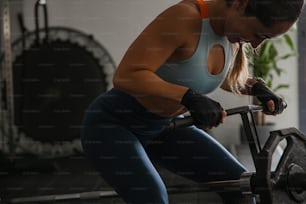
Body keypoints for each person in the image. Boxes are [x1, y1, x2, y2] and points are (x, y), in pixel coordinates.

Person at [81, 0, 304, 203]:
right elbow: (126, 75)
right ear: (241, 4)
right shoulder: (184, 18)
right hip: (113, 123)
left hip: (165, 127)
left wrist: (256, 88)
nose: (255, 45)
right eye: (259, 34)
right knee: (152, 196)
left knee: (243, 187)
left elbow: (216, 75)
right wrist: (188, 97)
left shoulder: (231, 36)